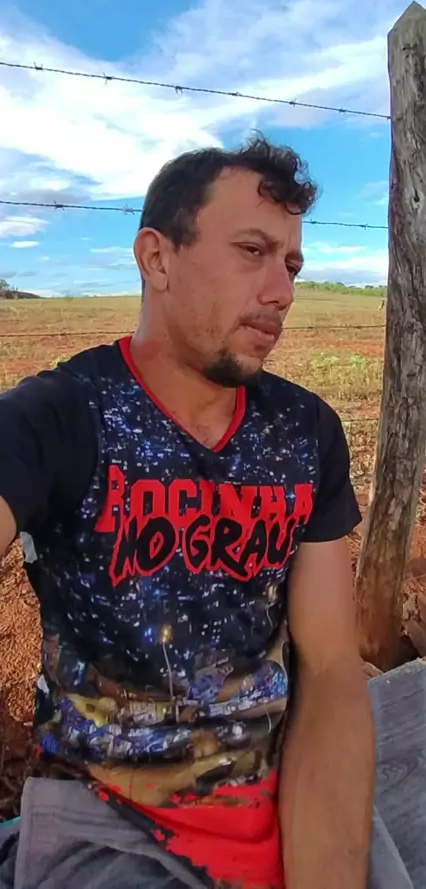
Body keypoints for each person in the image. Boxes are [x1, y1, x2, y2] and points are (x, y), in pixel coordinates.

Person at [0, 136, 374, 889]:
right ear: (158, 259)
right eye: (252, 251)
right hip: (107, 824)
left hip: (291, 797)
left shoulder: (306, 433)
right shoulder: (60, 417)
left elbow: (333, 667)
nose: (282, 291)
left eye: (292, 265)